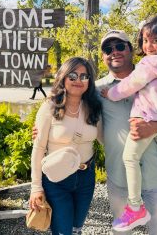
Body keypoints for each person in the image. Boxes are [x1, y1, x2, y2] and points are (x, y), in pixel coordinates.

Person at [100, 15, 157, 232]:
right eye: (108, 49)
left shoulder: (152, 70)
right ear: (103, 56)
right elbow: (77, 115)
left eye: (120, 45)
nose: (114, 52)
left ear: (131, 49)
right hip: (120, 182)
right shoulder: (95, 89)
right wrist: (49, 129)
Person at [29, 57, 103, 235]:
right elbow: (38, 149)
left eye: (84, 76)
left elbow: (106, 139)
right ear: (63, 77)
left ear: (89, 81)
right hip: (57, 180)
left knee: (77, 227)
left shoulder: (94, 108)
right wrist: (36, 187)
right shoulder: (49, 107)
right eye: (72, 75)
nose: (78, 80)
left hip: (86, 177)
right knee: (63, 231)